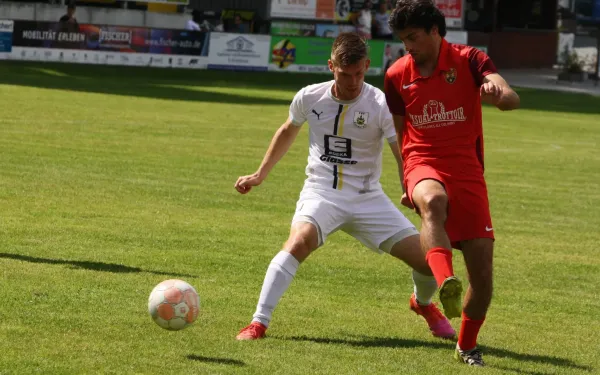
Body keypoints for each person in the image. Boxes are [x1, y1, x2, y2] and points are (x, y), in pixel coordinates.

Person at [234, 32, 455, 342]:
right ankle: (258, 323)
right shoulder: (309, 97)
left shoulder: (381, 103)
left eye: (359, 73)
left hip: (368, 198)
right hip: (322, 192)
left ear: (366, 66)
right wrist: (259, 174)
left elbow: (400, 149)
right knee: (298, 241)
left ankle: (422, 304)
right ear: (330, 66)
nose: (353, 81)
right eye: (344, 74)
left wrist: (411, 185)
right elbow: (287, 131)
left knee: (429, 261)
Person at [384, 0, 520, 367]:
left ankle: (466, 345)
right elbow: (398, 134)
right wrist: (405, 180)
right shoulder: (397, 73)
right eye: (402, 39)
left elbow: (510, 97)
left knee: (484, 277)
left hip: (468, 170)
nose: (407, 45)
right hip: (422, 162)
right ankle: (446, 283)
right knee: (433, 202)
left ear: (434, 30)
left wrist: (496, 94)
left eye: (413, 37)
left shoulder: (471, 59)